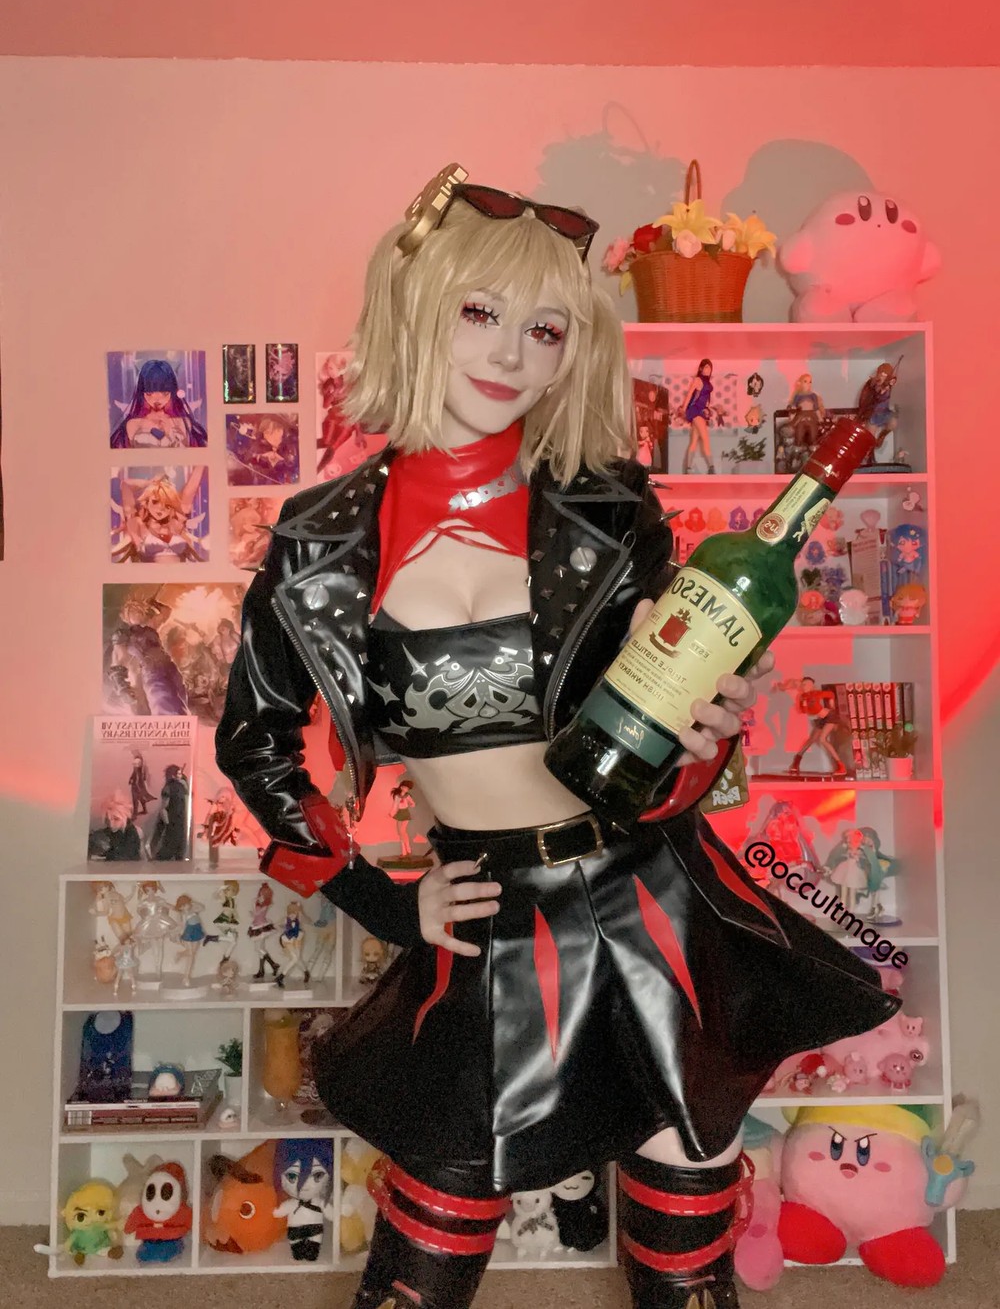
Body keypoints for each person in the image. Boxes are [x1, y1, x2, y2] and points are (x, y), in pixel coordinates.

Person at [216, 163, 898, 1309]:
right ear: (413, 308)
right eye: (480, 312)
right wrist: (383, 899)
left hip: (652, 896)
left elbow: (664, 717)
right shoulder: (320, 541)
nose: (511, 354)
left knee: (686, 1233)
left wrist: (708, 732)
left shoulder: (608, 506)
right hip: (487, 911)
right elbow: (258, 744)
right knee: (427, 1246)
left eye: (545, 328)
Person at [110, 358, 207, 449]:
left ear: (172, 392)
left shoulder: (182, 422)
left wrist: (170, 430)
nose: (157, 399)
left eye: (165, 393)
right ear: (142, 393)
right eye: (149, 393)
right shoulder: (134, 424)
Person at [681, 358, 715, 474]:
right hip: (695, 409)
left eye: (710, 368)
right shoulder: (698, 380)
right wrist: (683, 409)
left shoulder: (707, 382)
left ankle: (688, 468)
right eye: (706, 367)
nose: (708, 370)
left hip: (701, 411)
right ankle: (711, 467)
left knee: (694, 441)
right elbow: (690, 394)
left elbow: (705, 399)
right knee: (705, 438)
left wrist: (706, 409)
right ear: (701, 368)